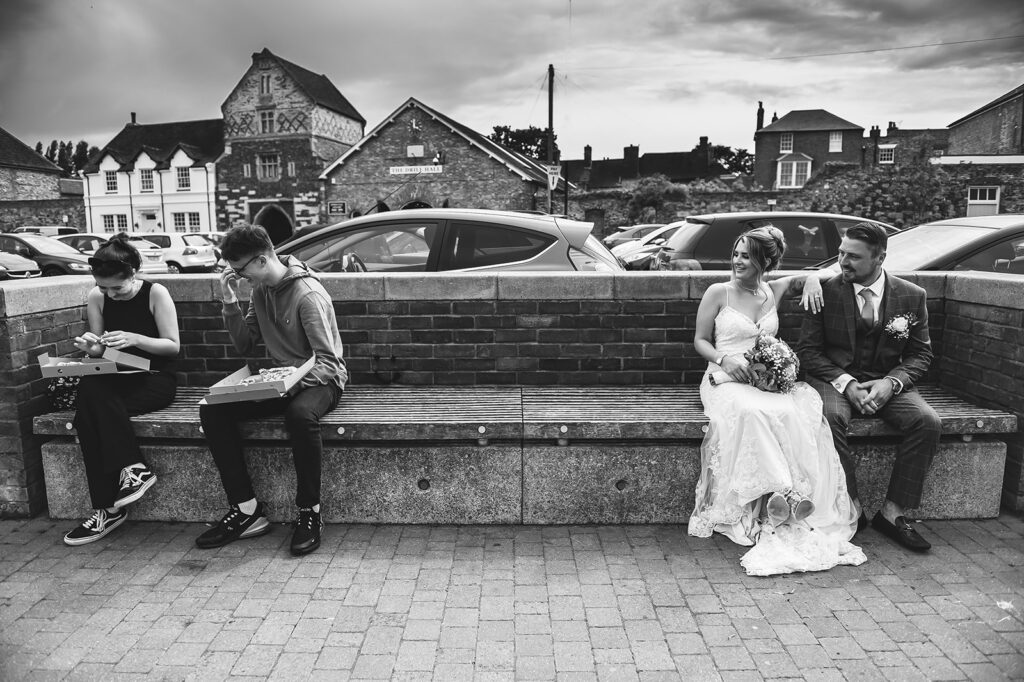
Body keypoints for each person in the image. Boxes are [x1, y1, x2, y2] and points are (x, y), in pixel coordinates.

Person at [689, 226, 865, 576]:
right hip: (724, 379)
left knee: (795, 409)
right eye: (736, 254)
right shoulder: (718, 292)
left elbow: (809, 277)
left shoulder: (773, 290)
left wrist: (814, 278)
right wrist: (726, 360)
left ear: (764, 261)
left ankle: (784, 498)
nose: (737, 261)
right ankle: (786, 493)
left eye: (746, 256)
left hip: (764, 381)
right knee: (752, 412)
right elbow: (700, 341)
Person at [196, 224, 346, 556]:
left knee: (299, 414)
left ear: (262, 261)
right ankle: (247, 510)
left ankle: (310, 512)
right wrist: (229, 301)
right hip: (282, 381)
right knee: (212, 408)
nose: (238, 276)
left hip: (321, 382)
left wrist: (287, 384)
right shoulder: (261, 291)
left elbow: (329, 363)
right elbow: (245, 344)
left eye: (240, 270)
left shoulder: (308, 295)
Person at [797, 222, 938, 552]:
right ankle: (853, 507)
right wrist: (847, 384)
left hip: (886, 381)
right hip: (834, 378)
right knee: (828, 419)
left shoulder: (911, 296)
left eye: (853, 257)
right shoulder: (826, 291)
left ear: (880, 258)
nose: (843, 261)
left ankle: (893, 513)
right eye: (841, 253)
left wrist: (892, 383)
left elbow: (921, 353)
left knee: (927, 421)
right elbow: (808, 352)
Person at [63, 233, 180, 546]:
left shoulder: (156, 293)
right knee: (92, 391)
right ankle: (133, 469)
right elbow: (101, 351)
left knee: (89, 411)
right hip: (117, 376)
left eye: (117, 287)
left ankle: (106, 510)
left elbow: (172, 347)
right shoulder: (96, 298)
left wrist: (136, 338)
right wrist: (92, 348)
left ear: (134, 273)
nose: (110, 294)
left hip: (155, 377)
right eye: (103, 287)